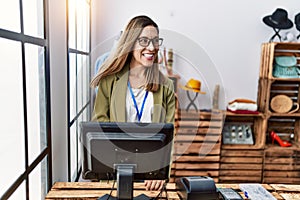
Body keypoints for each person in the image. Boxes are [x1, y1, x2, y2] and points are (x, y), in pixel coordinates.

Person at [90, 15, 175, 191]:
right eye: (144, 41)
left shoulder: (166, 85)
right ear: (131, 43)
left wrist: (159, 173)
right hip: (114, 172)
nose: (151, 48)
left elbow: (169, 137)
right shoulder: (109, 81)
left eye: (155, 41)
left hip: (150, 177)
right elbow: (99, 126)